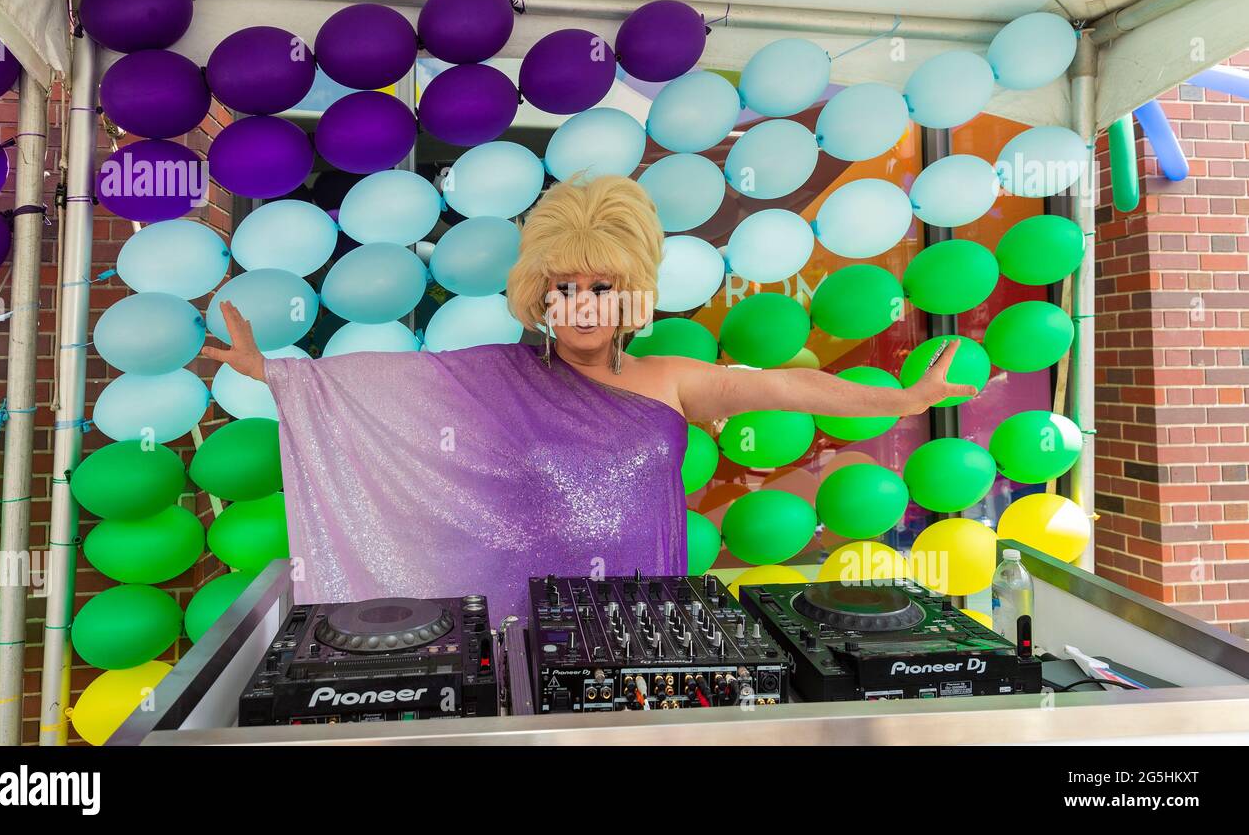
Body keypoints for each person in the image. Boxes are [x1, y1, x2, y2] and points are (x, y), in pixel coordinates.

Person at [202, 174, 975, 623]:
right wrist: (270, 370)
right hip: (521, 617)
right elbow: (379, 391)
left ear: (630, 295)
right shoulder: (498, 374)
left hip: (644, 617)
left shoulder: (670, 377)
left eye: (600, 288)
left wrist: (906, 403)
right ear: (539, 293)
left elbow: (787, 385)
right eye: (564, 287)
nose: (580, 304)